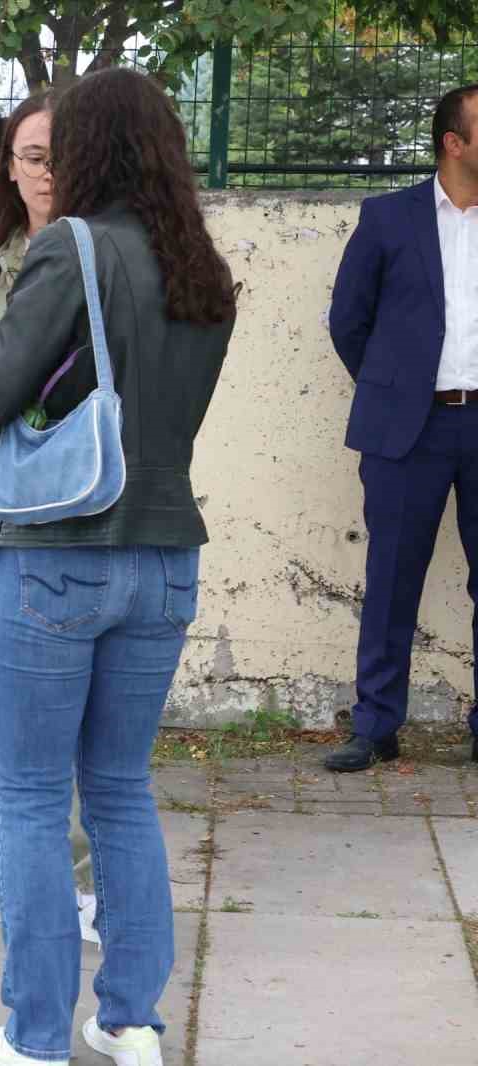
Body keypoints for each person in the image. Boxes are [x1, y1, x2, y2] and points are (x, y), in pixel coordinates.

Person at [0, 68, 237, 1066]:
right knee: (121, 790)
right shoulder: (203, 272)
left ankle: (38, 1036)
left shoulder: (70, 250)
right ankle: (130, 1022)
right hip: (166, 557)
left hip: (54, 559)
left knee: (37, 801)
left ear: (92, 148)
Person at [0, 91, 98, 947]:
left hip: (87, 506)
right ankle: (28, 877)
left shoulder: (105, 255)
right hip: (10, 501)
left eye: (58, 155)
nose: (43, 173)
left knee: (85, 722)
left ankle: (80, 883)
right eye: (28, 156)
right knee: (11, 710)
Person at [324, 83, 478, 773]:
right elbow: (348, 322)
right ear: (455, 143)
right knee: (390, 580)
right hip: (408, 430)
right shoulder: (388, 219)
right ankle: (377, 725)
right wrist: (396, 390)